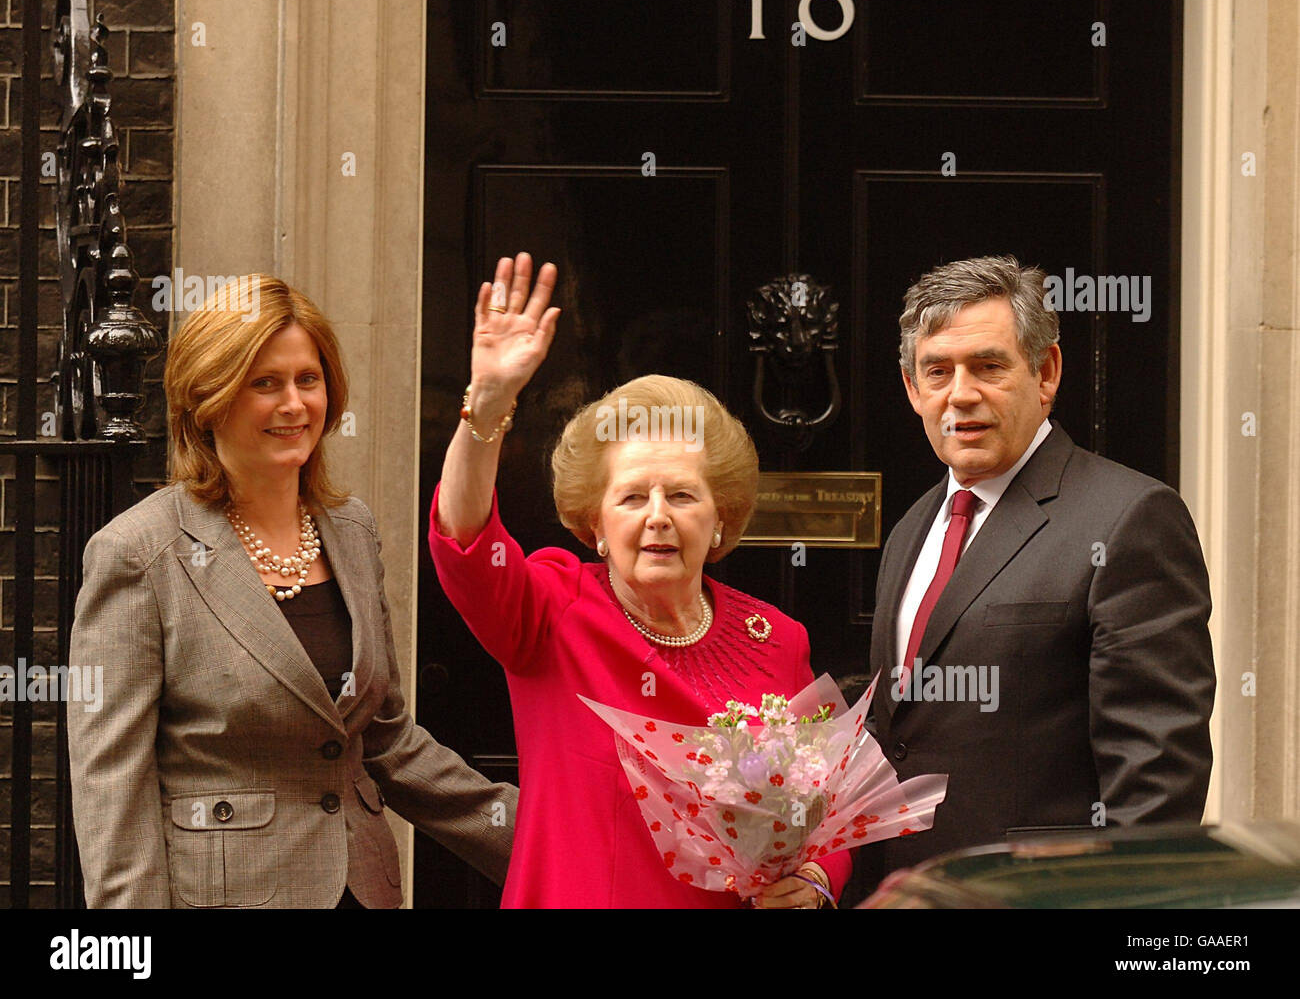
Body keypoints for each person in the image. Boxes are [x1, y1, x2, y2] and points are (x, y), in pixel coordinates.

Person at [69, 276, 517, 908]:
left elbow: (386, 739)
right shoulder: (138, 554)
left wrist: (544, 838)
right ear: (209, 398)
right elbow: (113, 787)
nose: (294, 404)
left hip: (364, 891)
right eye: (265, 383)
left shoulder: (351, 531)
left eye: (309, 379)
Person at [429, 253, 852, 908]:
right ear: (595, 523)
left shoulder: (777, 639)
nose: (658, 518)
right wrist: (487, 407)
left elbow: (826, 809)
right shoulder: (552, 610)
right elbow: (464, 540)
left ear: (719, 521)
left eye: (682, 496)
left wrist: (816, 878)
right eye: (631, 499)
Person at [860, 254, 1215, 887]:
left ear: (1046, 372)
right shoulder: (915, 527)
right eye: (937, 371)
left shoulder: (1129, 518)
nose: (960, 393)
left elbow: (1156, 777)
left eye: (989, 366)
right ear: (913, 389)